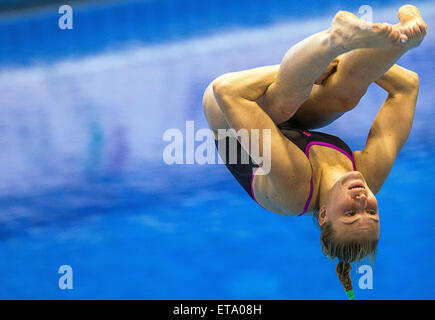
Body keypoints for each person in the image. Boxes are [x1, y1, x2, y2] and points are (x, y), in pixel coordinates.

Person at [202, 5, 426, 299]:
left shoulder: (294, 186)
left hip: (228, 117)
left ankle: (335, 39)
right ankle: (378, 38)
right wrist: (395, 42)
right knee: (343, 95)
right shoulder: (368, 176)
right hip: (285, 124)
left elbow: (227, 90)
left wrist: (324, 64)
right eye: (371, 211)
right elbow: (407, 87)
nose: (362, 200)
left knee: (285, 101)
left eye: (349, 213)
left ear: (323, 215)